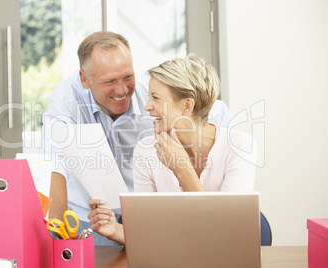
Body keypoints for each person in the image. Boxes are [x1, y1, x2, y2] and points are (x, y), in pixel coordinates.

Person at [42, 31, 234, 245]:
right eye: (109, 81)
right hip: (90, 218)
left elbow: (210, 110)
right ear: (85, 79)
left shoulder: (154, 93)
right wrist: (56, 239)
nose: (122, 89)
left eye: (128, 76)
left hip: (144, 218)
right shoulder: (67, 97)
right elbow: (56, 165)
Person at [88, 54, 257, 245]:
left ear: (187, 105)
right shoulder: (146, 150)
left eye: (156, 98)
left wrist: (182, 169)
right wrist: (116, 230)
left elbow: (225, 235)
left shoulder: (240, 147)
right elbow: (150, 233)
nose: (147, 106)